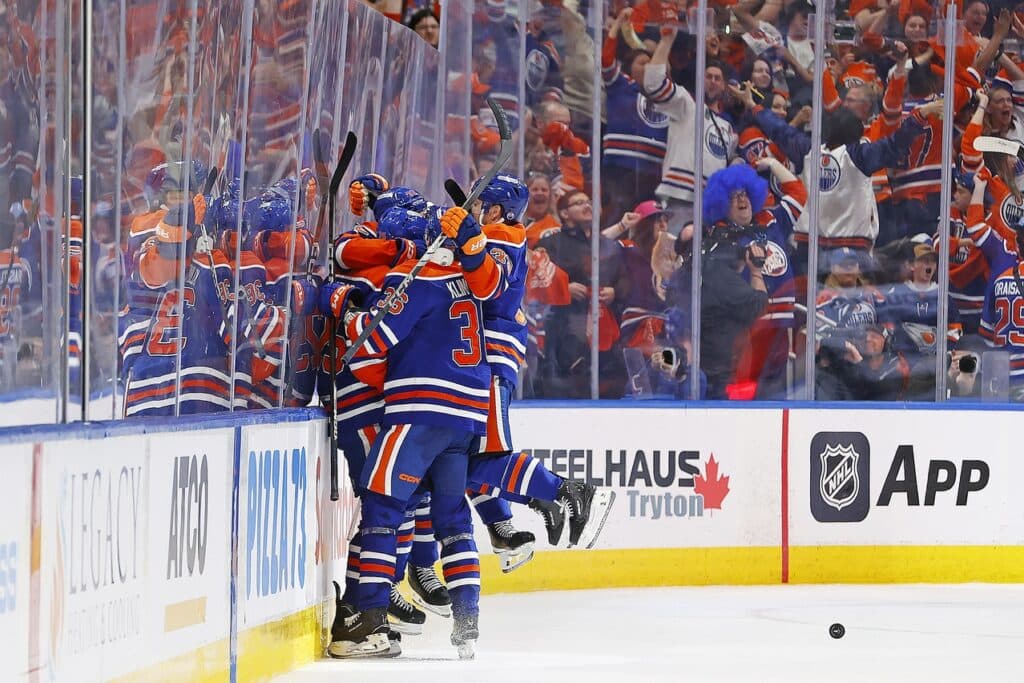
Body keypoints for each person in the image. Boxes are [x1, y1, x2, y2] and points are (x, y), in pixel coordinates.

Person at [643, 20, 737, 236]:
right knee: (674, 260)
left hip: (712, 207)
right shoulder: (686, 103)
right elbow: (653, 83)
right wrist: (667, 40)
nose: (713, 82)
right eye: (708, 77)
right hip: (680, 199)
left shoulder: (727, 127)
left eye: (717, 78)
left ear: (723, 85)